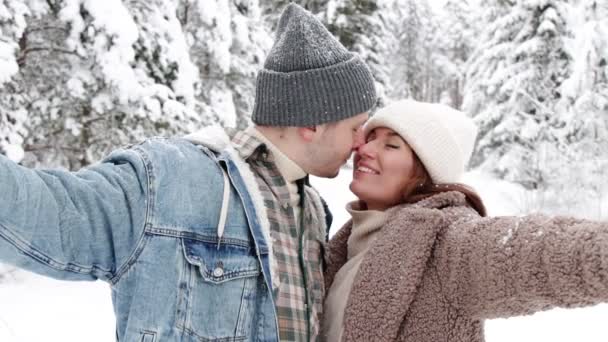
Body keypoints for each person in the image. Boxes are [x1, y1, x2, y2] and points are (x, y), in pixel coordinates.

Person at [0, 4, 376, 342]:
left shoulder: (312, 209)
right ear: (312, 122)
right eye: (356, 126)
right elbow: (45, 212)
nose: (362, 142)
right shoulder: (168, 180)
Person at [323, 99, 608, 342]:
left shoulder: (444, 243)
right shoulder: (342, 244)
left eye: (391, 145)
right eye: (370, 138)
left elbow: (536, 252)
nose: (365, 150)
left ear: (424, 173)